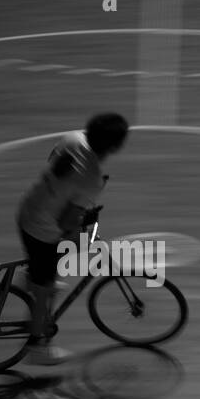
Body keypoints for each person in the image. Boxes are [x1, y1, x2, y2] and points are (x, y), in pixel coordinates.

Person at [15, 113, 130, 365]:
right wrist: (81, 219)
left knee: (62, 252)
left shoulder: (72, 138)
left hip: (29, 208)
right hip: (42, 227)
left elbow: (55, 165)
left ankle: (32, 279)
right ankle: (38, 348)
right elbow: (66, 222)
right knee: (48, 284)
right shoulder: (92, 178)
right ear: (115, 145)